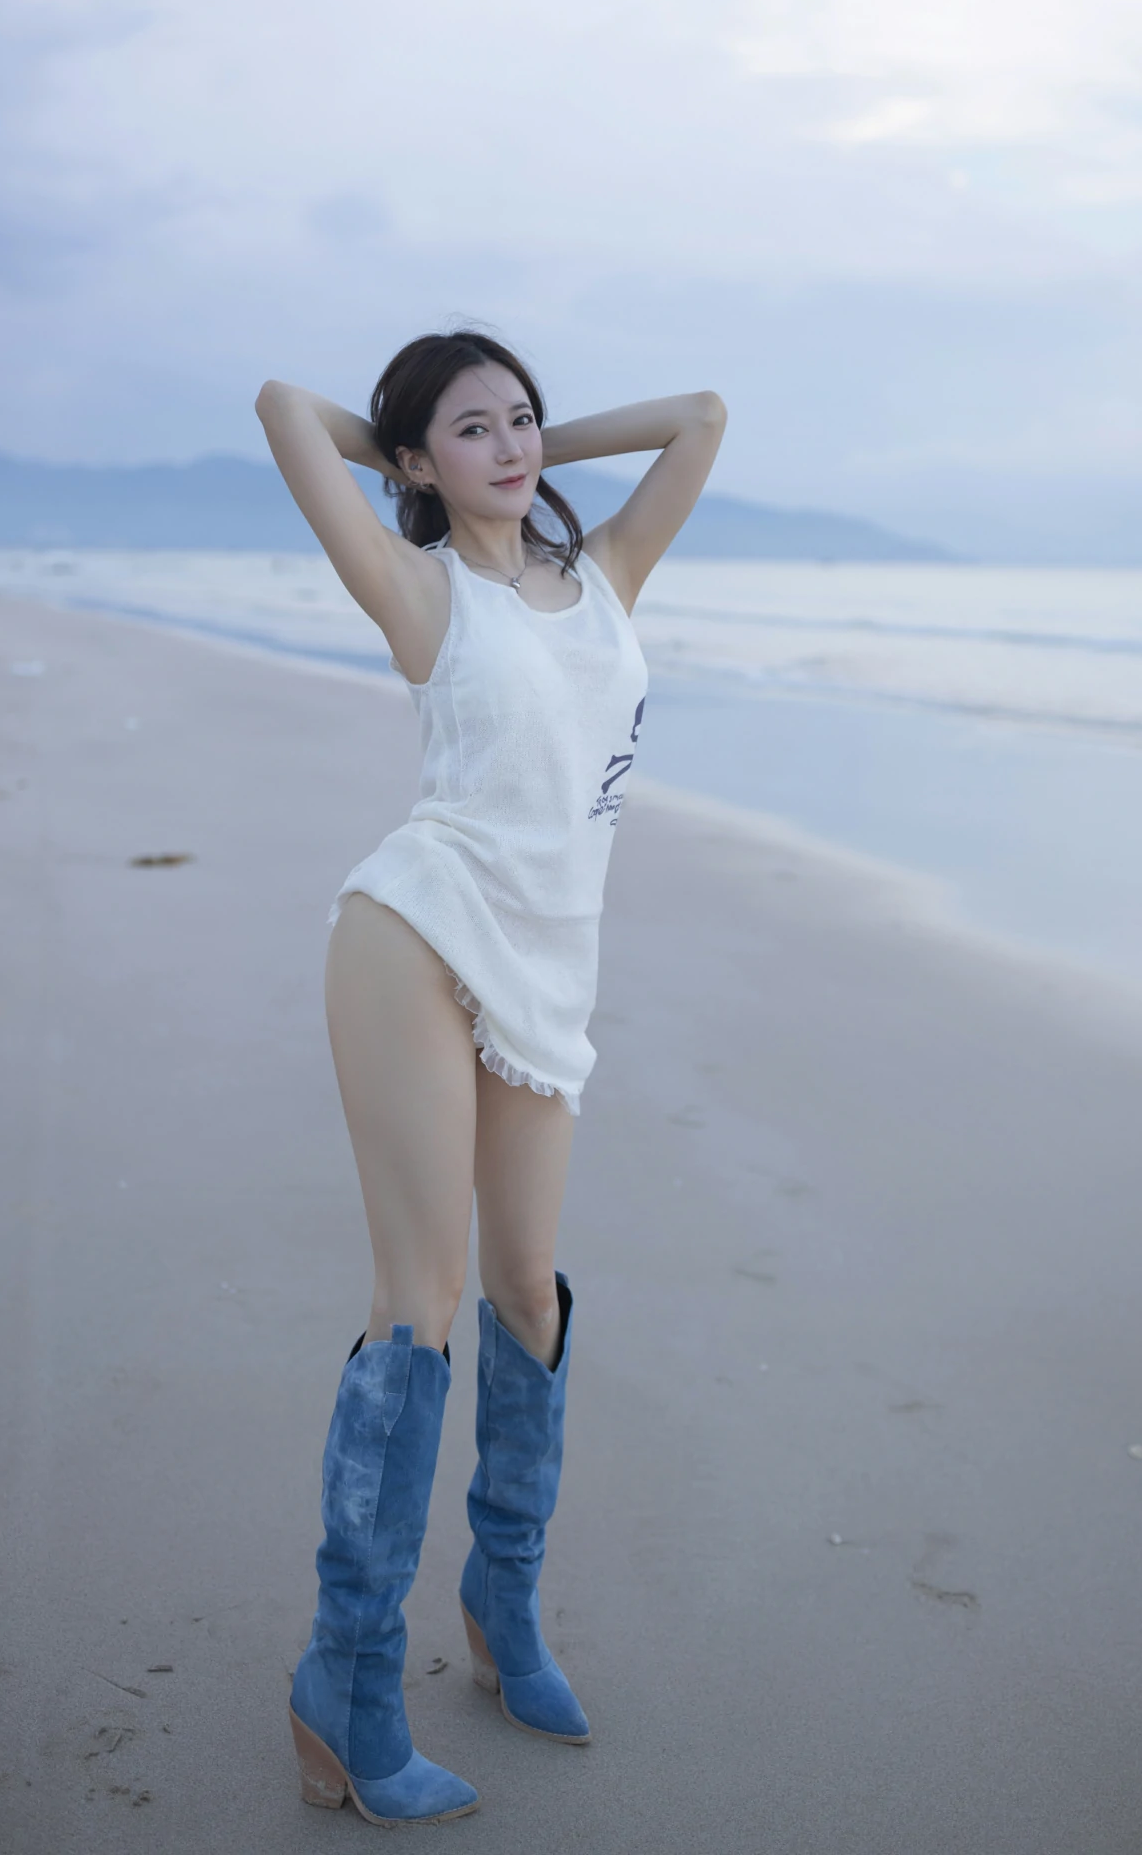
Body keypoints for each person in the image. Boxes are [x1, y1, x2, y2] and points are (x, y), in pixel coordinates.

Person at [255, 331, 727, 1826]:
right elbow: (284, 406)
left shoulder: (608, 575)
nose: (514, 445)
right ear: (413, 461)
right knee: (425, 1300)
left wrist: (514, 447)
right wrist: (412, 453)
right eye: (477, 429)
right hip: (417, 930)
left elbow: (701, 415)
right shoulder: (420, 589)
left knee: (530, 1291)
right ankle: (345, 1681)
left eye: (523, 420)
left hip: (548, 965)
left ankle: (502, 1608)